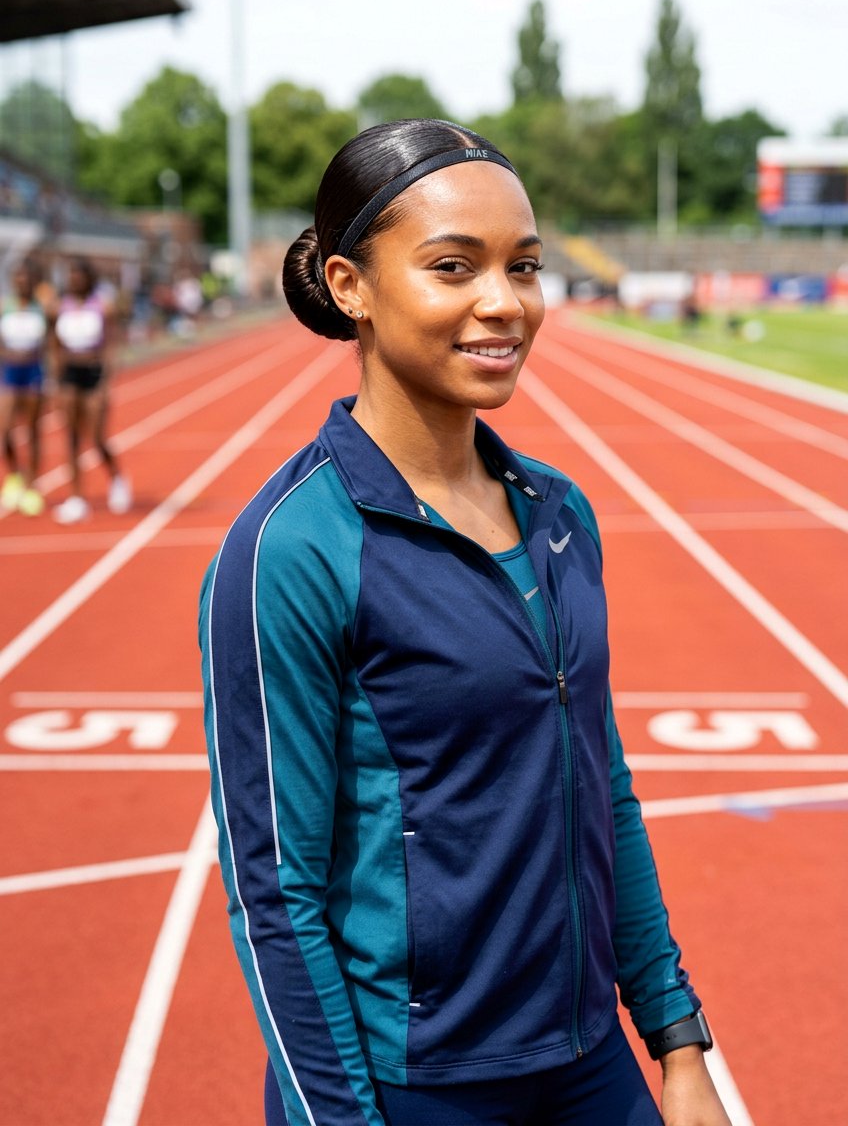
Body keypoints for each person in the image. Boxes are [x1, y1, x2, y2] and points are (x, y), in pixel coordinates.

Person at [199, 120, 732, 1126]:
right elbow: (274, 890)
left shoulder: (560, 513)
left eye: (523, 266)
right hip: (411, 1085)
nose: (504, 302)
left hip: (588, 1066)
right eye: (453, 266)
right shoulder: (291, 549)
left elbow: (604, 788)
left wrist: (676, 1038)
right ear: (351, 286)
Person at [51, 256, 132, 524]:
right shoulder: (59, 307)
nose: (75, 279)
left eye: (79, 275)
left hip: (93, 373)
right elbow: (54, 345)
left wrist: (106, 383)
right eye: (71, 275)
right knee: (72, 437)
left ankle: (117, 478)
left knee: (96, 437)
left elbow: (110, 346)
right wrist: (55, 379)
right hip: (69, 375)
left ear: (88, 278)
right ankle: (76, 497)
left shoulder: (102, 306)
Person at [1, 259, 48, 515]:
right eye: (18, 276)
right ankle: (14, 474)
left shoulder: (43, 308)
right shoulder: (4, 306)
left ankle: (31, 485)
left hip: (33, 373)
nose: (22, 280)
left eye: (26, 276)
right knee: (5, 429)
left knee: (32, 430)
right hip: (9, 372)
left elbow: (52, 343)